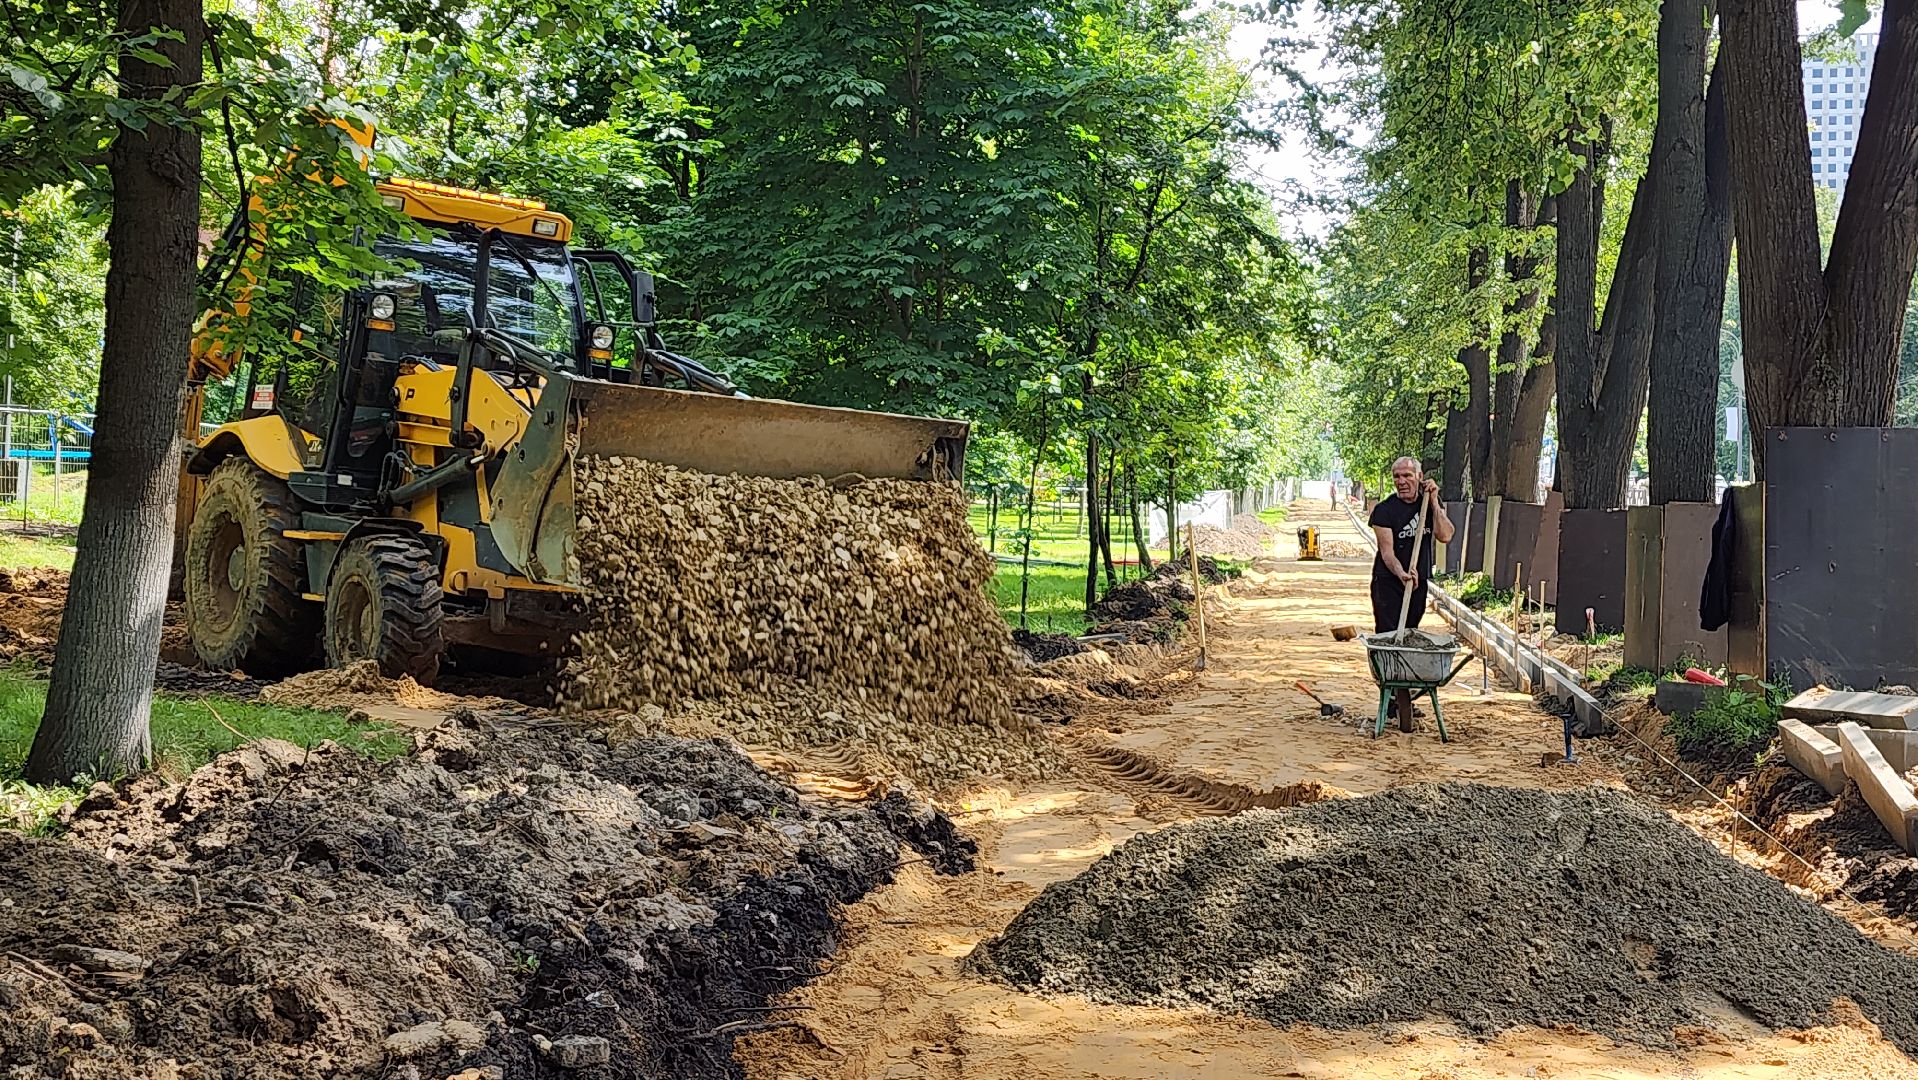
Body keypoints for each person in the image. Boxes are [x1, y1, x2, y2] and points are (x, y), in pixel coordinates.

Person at [1369, 457, 1455, 634]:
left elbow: (1445, 535)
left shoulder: (1428, 504)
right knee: (1389, 634)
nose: (1401, 482)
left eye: (1407, 475)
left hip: (1419, 580)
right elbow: (1387, 553)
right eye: (1396, 476)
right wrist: (1402, 573)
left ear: (1419, 476)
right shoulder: (1384, 510)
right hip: (1389, 581)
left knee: (1410, 632)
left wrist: (1434, 502)